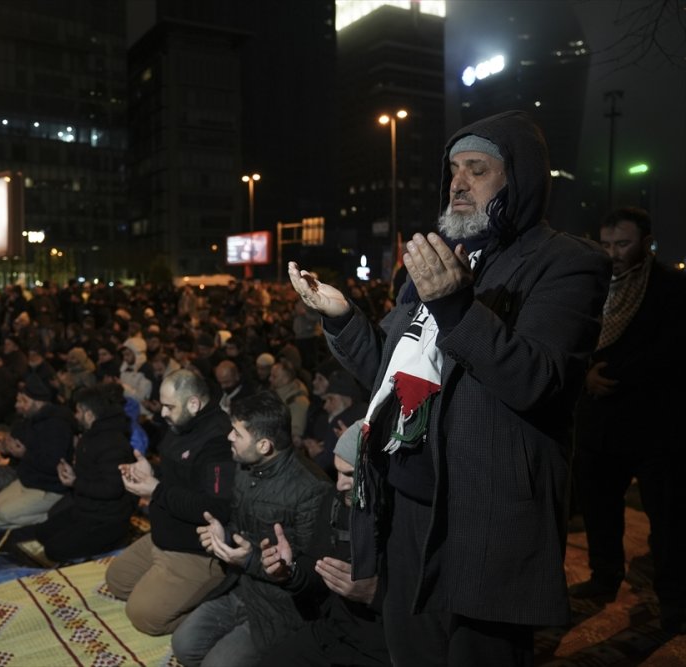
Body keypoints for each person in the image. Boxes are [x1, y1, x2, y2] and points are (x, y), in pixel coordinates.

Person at [288, 110, 611, 665]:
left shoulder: (566, 263)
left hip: (481, 514)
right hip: (406, 505)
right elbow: (393, 376)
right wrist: (341, 318)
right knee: (411, 650)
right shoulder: (433, 261)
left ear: (520, 179)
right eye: (453, 170)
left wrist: (457, 306)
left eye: (478, 169)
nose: (458, 183)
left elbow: (541, 381)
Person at [571, 206, 686, 634]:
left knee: (668, 518)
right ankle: (604, 578)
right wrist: (585, 375)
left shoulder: (671, 287)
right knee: (600, 508)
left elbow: (672, 350)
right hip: (601, 425)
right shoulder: (592, 285)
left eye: (623, 244)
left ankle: (673, 599)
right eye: (606, 244)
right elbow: (573, 337)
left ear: (646, 243)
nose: (614, 253)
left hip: (655, 425)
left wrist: (610, 376)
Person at [170, 392, 331, 666]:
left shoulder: (312, 489)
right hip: (241, 587)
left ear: (264, 445)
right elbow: (240, 524)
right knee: (183, 645)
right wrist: (224, 536)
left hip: (279, 607)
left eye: (237, 432)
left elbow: (312, 574)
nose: (229, 437)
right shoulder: (246, 467)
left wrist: (252, 560)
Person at [105, 368, 235, 636]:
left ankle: (222, 604)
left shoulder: (218, 440)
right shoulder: (181, 422)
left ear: (194, 404)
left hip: (194, 548)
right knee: (117, 581)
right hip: (163, 534)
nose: (162, 413)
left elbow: (216, 508)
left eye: (168, 407)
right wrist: (151, 472)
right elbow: (177, 475)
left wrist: (157, 490)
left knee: (143, 616)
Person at [258, 423, 391, 666]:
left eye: (350, 474)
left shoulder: (407, 517)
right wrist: (290, 571)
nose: (340, 484)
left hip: (385, 648)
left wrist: (375, 593)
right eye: (338, 472)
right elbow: (318, 566)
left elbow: (433, 612)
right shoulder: (336, 502)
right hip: (334, 632)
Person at [0, 376, 75, 526]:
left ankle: (49, 516)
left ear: (38, 402)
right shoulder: (31, 418)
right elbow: (18, 446)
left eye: (23, 401)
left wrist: (23, 454)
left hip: (49, 488)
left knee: (4, 515)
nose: (18, 405)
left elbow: (53, 464)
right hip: (27, 480)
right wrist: (6, 448)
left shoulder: (57, 426)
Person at [34, 384, 137, 562]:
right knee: (42, 533)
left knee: (53, 550)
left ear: (88, 414)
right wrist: (72, 473)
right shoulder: (92, 434)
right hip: (86, 506)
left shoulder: (112, 442)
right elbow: (93, 472)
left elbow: (112, 489)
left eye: (77, 412)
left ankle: (116, 540)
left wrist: (75, 482)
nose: (75, 416)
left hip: (107, 518)